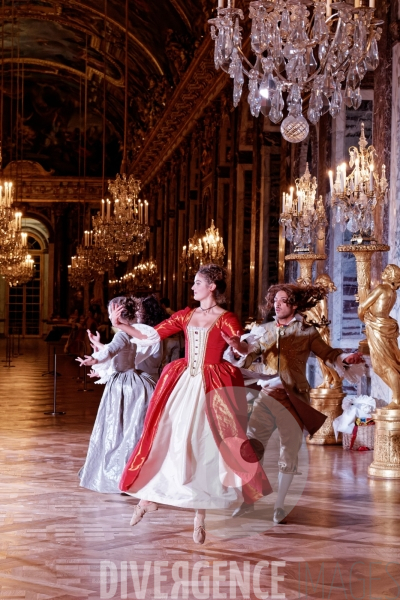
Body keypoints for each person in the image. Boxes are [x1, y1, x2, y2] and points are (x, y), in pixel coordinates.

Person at [107, 264, 271, 544]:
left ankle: (200, 514)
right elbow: (150, 335)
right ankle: (150, 497)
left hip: (212, 385)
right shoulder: (185, 315)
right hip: (184, 384)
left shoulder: (226, 318)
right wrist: (120, 325)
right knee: (170, 438)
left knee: (207, 445)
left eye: (197, 283)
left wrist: (236, 344)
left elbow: (244, 349)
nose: (193, 287)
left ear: (212, 287)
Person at [223, 283, 364, 523]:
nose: (276, 304)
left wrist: (345, 358)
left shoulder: (306, 331)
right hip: (267, 396)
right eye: (274, 300)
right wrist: (238, 346)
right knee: (251, 448)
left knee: (288, 452)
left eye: (282, 300)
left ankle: (280, 507)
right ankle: (248, 501)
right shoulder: (264, 330)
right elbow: (250, 349)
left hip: (294, 399)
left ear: (294, 305)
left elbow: (328, 354)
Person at [76, 296, 163, 494]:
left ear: (118, 313)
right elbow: (115, 354)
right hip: (135, 383)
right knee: (132, 429)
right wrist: (98, 352)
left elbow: (112, 351)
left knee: (118, 431)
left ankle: (121, 475)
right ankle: (133, 472)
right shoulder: (135, 333)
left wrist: (94, 358)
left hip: (123, 386)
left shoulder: (123, 334)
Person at [358, 264, 400, 409]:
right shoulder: (391, 292)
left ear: (391, 276)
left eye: (387, 271)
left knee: (388, 366)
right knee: (380, 366)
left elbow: (362, 307)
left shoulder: (382, 289)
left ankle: (397, 399)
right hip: (383, 326)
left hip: (378, 328)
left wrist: (364, 317)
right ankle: (397, 395)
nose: (383, 272)